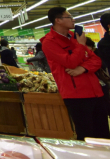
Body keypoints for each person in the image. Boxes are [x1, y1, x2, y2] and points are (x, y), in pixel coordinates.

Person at [41, 7, 110, 140]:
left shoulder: (75, 36)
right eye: (69, 17)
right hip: (76, 95)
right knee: (86, 135)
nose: (73, 20)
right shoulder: (49, 42)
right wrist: (80, 46)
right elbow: (70, 62)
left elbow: (96, 60)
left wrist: (83, 68)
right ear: (58, 20)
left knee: (103, 134)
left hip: (96, 91)